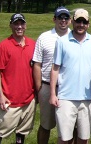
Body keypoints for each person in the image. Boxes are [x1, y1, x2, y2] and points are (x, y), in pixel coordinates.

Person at [49, 8, 91, 144]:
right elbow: (55, 68)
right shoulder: (62, 41)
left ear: (88, 24)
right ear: (73, 22)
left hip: (87, 98)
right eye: (78, 21)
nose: (81, 25)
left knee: (84, 138)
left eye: (84, 22)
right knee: (64, 138)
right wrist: (53, 94)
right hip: (66, 97)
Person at [32, 6, 72, 144]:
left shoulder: (75, 37)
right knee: (45, 125)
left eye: (66, 17)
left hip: (67, 88)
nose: (63, 20)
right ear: (54, 19)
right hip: (47, 86)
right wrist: (39, 88)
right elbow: (37, 63)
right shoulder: (44, 37)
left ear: (70, 20)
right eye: (60, 17)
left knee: (68, 128)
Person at [0, 13, 36, 144]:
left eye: (21, 23)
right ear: (11, 26)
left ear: (25, 25)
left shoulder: (32, 44)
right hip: (9, 100)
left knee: (22, 132)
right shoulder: (4, 46)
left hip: (28, 99)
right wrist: (1, 95)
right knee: (0, 131)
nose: (19, 27)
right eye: (16, 24)